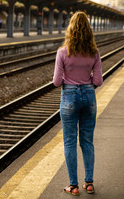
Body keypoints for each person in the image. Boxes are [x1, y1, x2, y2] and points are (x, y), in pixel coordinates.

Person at [53, 11, 103, 196]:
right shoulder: (94, 53)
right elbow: (98, 81)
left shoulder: (62, 52)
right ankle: (89, 183)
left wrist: (70, 77)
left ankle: (73, 186)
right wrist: (86, 77)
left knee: (69, 142)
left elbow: (57, 82)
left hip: (69, 97)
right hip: (89, 96)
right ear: (88, 30)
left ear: (70, 29)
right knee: (87, 141)